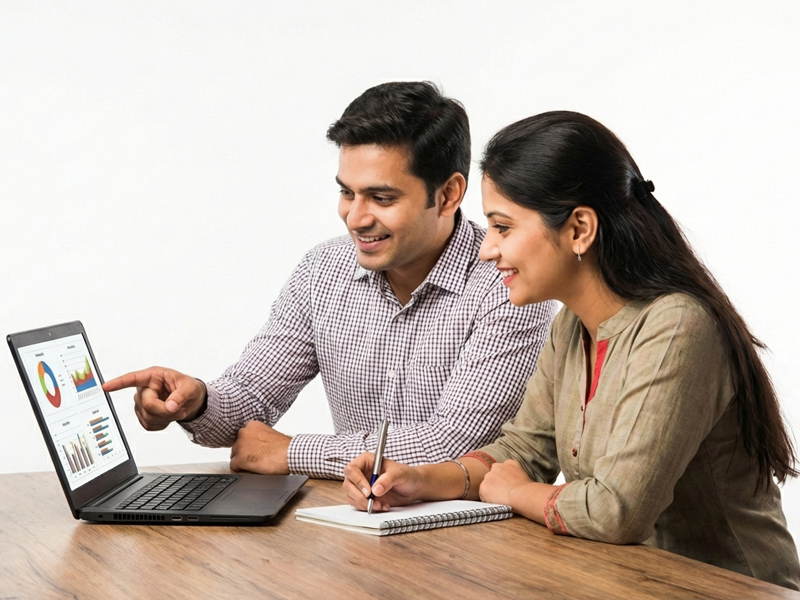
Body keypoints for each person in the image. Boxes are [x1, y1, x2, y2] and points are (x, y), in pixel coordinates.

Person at [343, 111, 800, 589]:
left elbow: (616, 511)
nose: (487, 249)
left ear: (579, 228)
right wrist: (419, 481)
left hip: (727, 590)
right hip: (627, 583)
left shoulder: (678, 327)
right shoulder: (570, 327)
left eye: (503, 227)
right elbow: (524, 450)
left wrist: (518, 493)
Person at [102, 82, 556, 479]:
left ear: (449, 194)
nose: (355, 218)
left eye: (381, 197)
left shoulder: (510, 285)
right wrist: (195, 401)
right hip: (354, 529)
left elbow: (455, 445)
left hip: (475, 546)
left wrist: (293, 452)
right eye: (346, 192)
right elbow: (249, 401)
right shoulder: (324, 271)